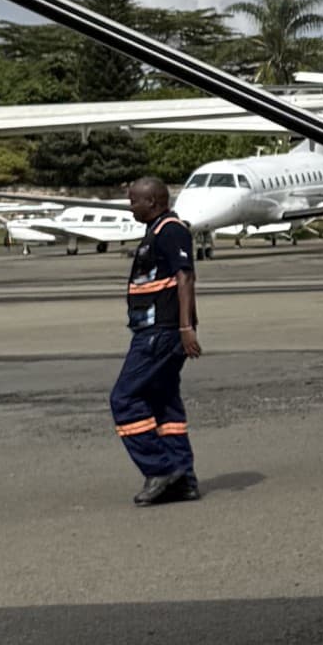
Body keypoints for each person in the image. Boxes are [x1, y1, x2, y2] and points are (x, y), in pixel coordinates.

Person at [113, 173, 203, 504]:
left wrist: (185, 328)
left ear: (152, 202)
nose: (130, 206)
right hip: (154, 330)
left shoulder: (171, 231)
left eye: (134, 200)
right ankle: (184, 480)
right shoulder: (156, 232)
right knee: (162, 402)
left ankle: (161, 469)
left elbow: (185, 278)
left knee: (124, 400)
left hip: (160, 333)